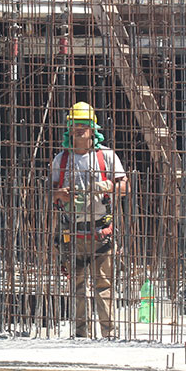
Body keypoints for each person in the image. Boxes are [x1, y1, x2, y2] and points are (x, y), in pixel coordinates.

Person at [50, 101, 127, 339]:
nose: (79, 129)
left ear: (93, 128)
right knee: (78, 289)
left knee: (103, 287)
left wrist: (106, 185)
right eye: (75, 125)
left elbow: (124, 186)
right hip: (73, 234)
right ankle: (81, 334)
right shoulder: (61, 160)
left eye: (84, 125)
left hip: (101, 232)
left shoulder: (106, 157)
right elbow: (51, 192)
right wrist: (59, 194)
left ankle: (109, 335)